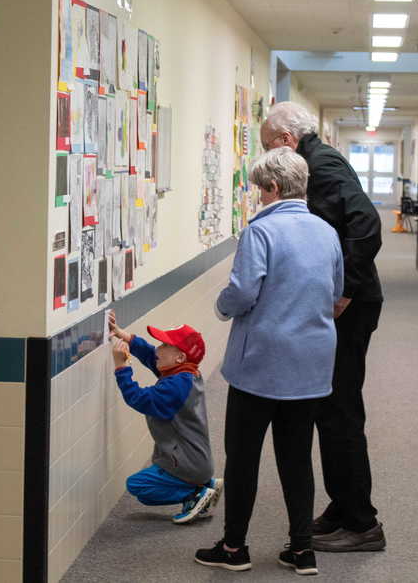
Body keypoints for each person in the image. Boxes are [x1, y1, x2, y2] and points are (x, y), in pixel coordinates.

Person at [194, 147, 343, 576]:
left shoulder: (260, 232)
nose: (258, 197)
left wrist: (222, 307)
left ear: (273, 188)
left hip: (260, 364)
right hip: (310, 365)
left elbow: (242, 293)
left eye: (260, 189)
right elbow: (335, 293)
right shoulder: (325, 232)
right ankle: (301, 550)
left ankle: (234, 547)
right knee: (297, 458)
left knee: (243, 458)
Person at [260, 102, 386, 553]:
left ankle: (362, 523)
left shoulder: (323, 164)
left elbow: (367, 224)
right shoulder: (318, 161)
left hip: (350, 309)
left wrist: (345, 290)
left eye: (267, 150)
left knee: (340, 414)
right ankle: (342, 507)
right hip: (343, 305)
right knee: (328, 410)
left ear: (284, 142)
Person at [108, 310, 222, 524]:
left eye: (165, 346)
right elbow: (153, 356)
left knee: (138, 486)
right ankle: (202, 485)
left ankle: (194, 494)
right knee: (144, 490)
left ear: (180, 357)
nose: (158, 348)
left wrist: (121, 368)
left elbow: (139, 399)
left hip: (187, 464)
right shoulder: (183, 373)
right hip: (196, 460)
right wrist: (125, 336)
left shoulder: (175, 386)